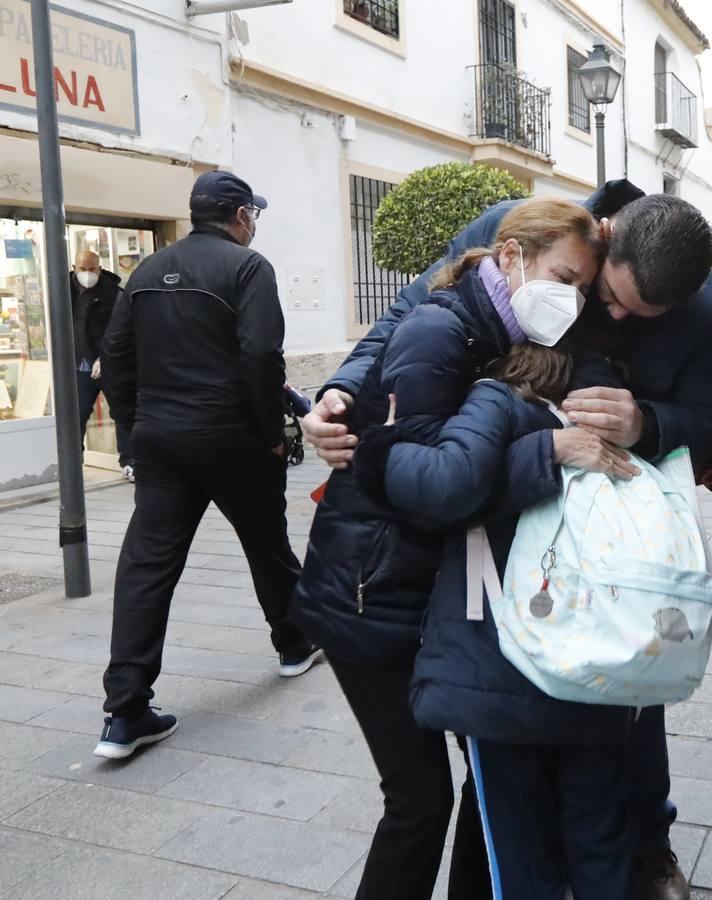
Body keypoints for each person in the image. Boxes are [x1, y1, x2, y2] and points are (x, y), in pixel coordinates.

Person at [301, 181, 712, 900]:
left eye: (630, 312)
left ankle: (642, 843)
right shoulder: (489, 287)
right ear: (599, 237)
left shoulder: (698, 310)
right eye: (595, 291)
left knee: (494, 785)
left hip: (496, 586)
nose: (607, 314)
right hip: (384, 583)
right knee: (421, 800)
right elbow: (423, 447)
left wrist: (644, 422)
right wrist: (341, 392)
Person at [289, 198, 608, 900]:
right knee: (418, 800)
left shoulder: (504, 333)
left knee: (489, 787)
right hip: (370, 597)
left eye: (584, 287)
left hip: (442, 599)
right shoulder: (442, 332)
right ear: (509, 256)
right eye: (563, 276)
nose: (572, 298)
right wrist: (541, 450)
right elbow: (430, 488)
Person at [355, 318, 635, 899]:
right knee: (598, 835)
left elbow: (447, 489)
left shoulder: (495, 399)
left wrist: (378, 446)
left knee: (514, 845)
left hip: (502, 667)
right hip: (602, 661)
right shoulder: (616, 413)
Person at [95, 171, 319, 759]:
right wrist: (272, 431)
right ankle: (294, 643)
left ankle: (124, 712)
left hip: (161, 439)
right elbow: (261, 354)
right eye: (254, 215)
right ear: (241, 215)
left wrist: (133, 425)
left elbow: (114, 356)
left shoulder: (144, 272)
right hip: (231, 437)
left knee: (146, 566)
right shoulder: (249, 268)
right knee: (267, 544)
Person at [70, 250, 133, 479]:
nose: (87, 274)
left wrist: (106, 357)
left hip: (109, 363)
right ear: (74, 268)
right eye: (82, 269)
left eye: (92, 269)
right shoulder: (63, 291)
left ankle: (130, 461)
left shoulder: (113, 294)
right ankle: (73, 465)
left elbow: (122, 330)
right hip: (79, 366)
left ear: (100, 268)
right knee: (75, 416)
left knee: (122, 412)